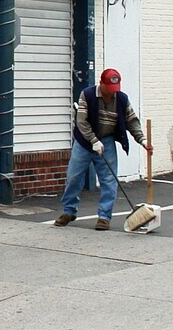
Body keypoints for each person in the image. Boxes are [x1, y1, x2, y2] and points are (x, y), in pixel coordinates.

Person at [54, 68, 149, 231]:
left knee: (109, 180)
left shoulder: (121, 99)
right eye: (109, 89)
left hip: (108, 140)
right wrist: (94, 141)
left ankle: (104, 216)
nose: (112, 93)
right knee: (73, 177)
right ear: (101, 84)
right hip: (84, 142)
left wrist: (143, 140)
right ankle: (69, 211)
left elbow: (132, 121)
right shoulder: (87, 94)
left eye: (115, 89)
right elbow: (82, 122)